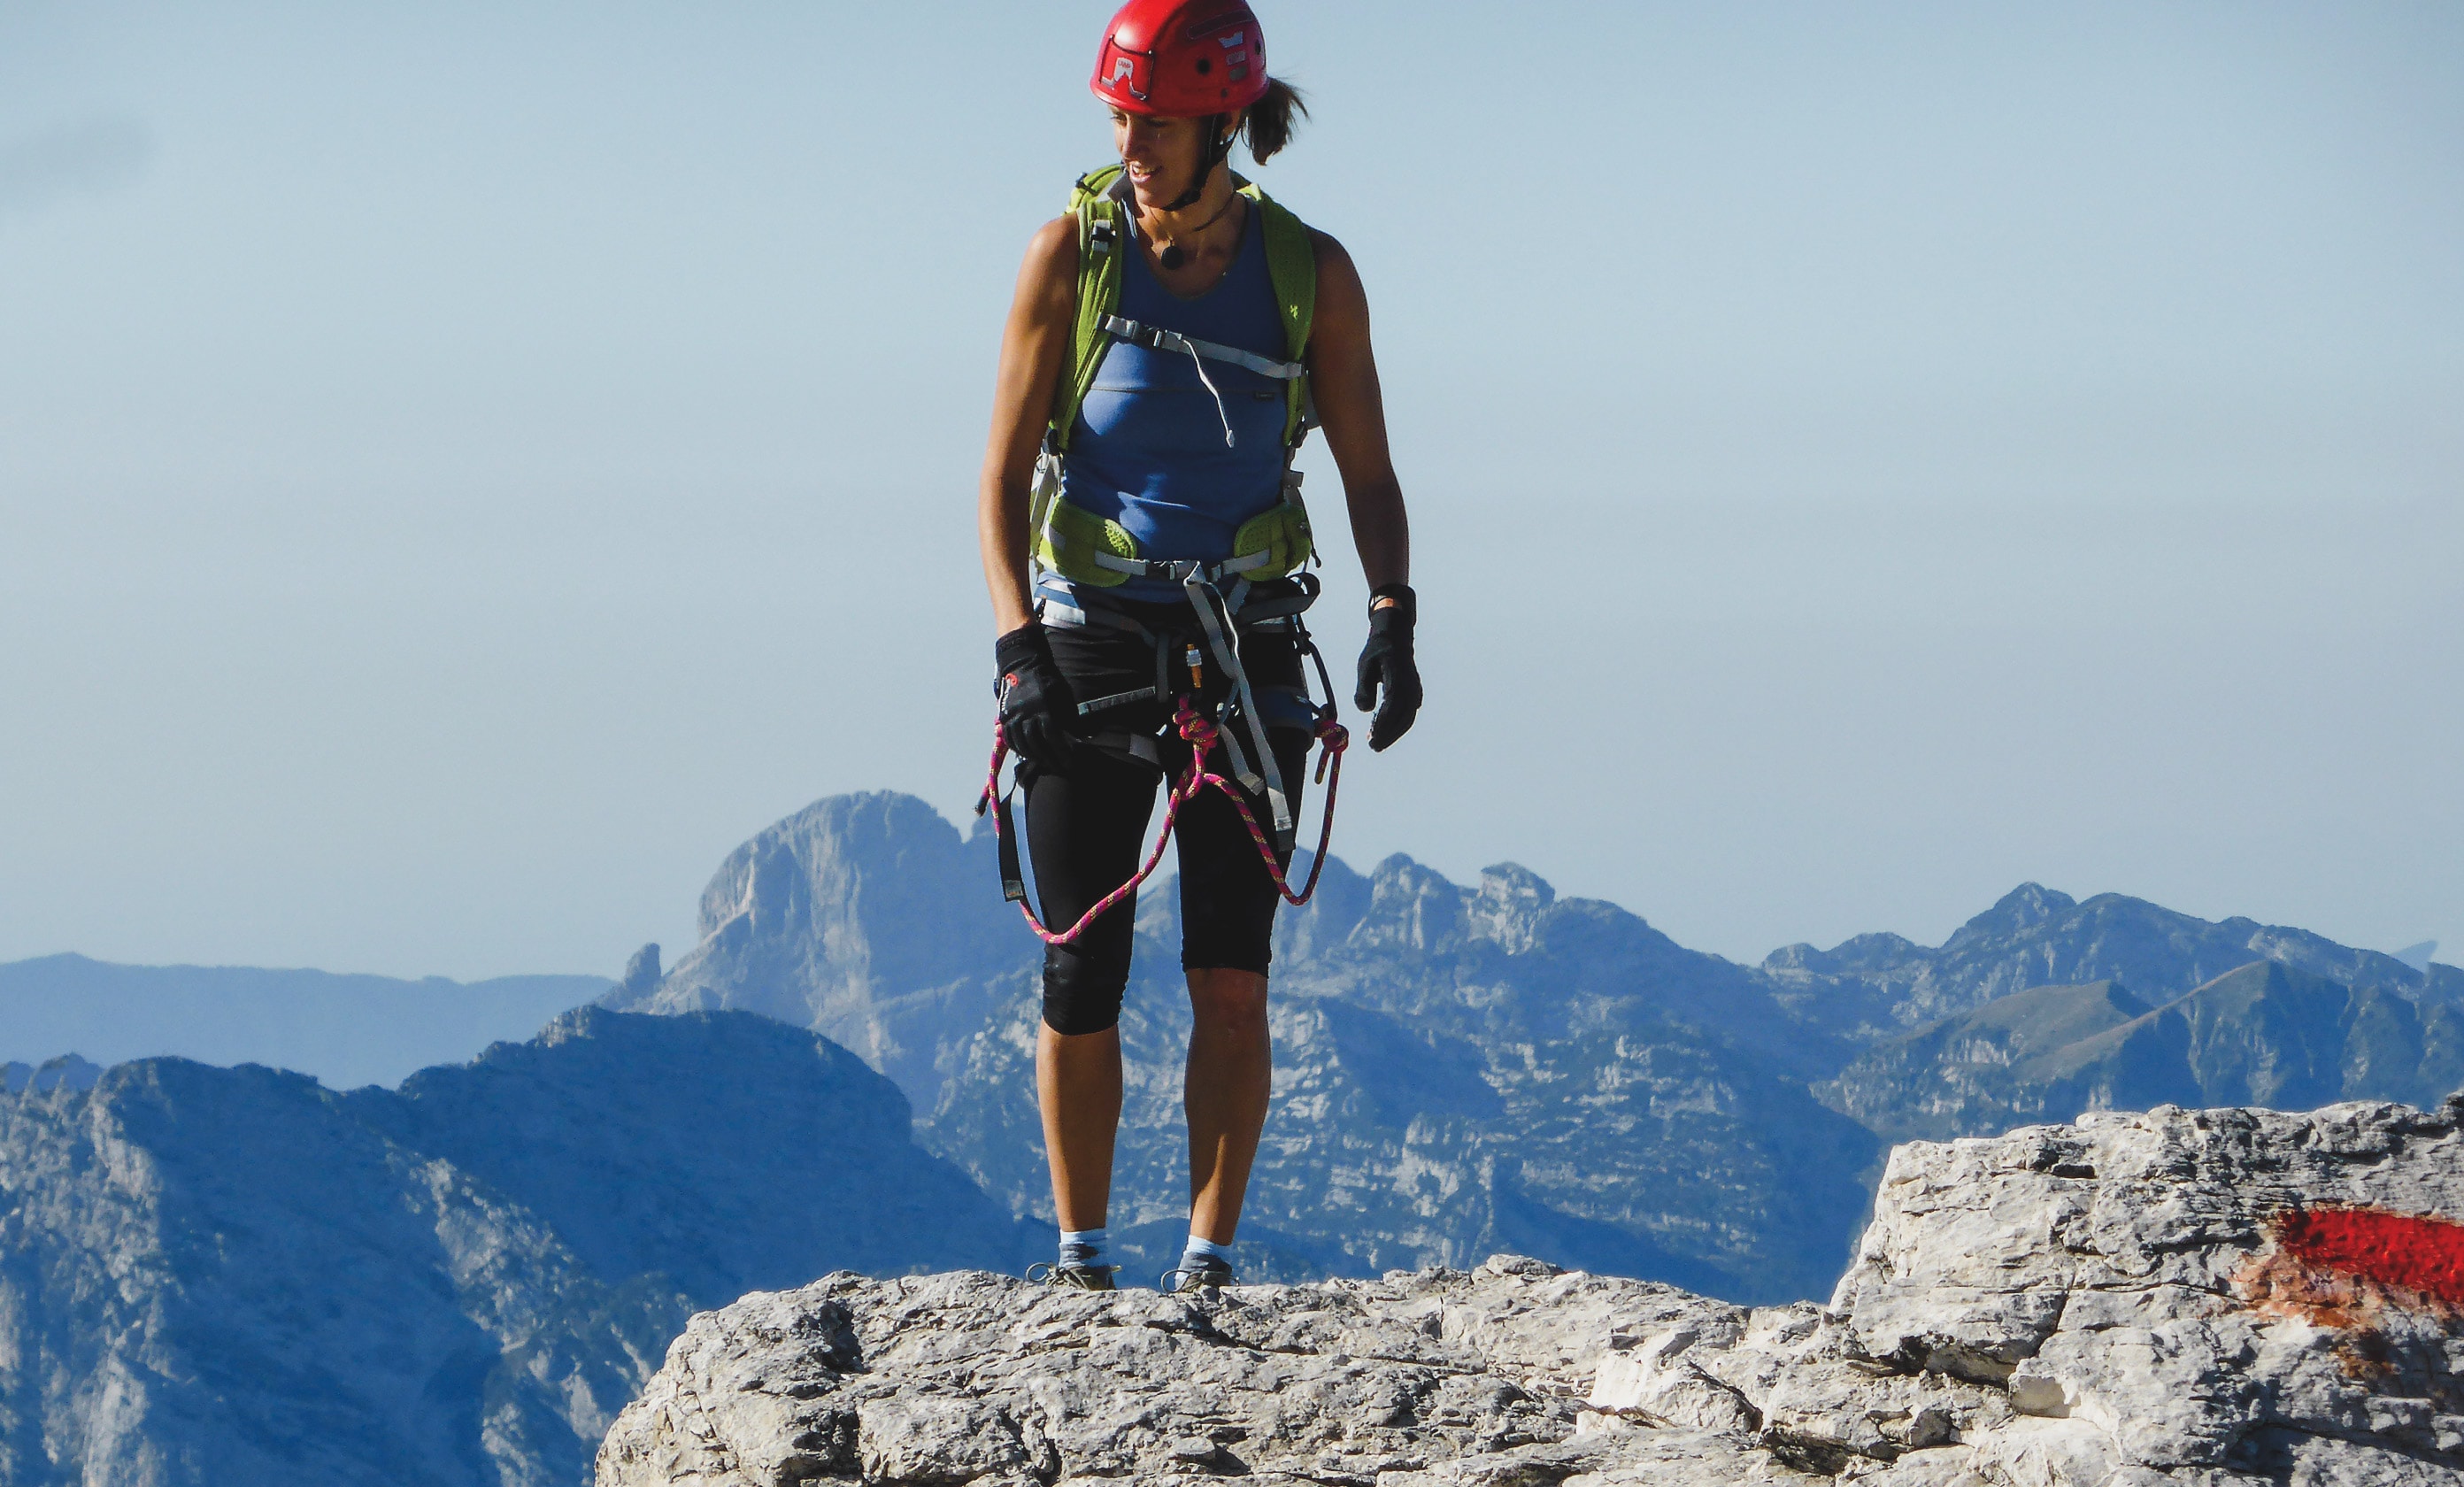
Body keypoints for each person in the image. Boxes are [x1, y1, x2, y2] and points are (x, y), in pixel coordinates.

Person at [976, 0, 1419, 1294]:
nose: (1131, 139)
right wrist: (1017, 647)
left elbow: (1369, 472)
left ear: (1224, 120)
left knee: (1232, 976)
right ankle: (1082, 1261)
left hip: (1246, 644)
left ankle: (1210, 1265)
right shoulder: (1071, 256)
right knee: (1081, 964)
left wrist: (1393, 610)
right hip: (1091, 635)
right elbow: (1000, 483)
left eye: (1156, 120)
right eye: (1119, 114)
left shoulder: (1309, 273)